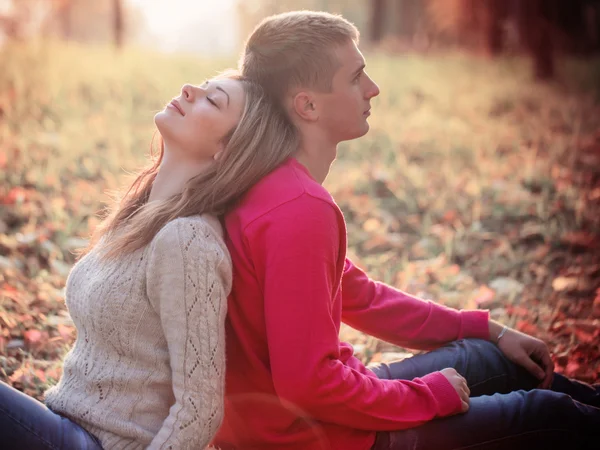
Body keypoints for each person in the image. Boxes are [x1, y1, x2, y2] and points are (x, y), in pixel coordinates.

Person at [213, 11, 600, 450]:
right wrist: (428, 394)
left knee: (489, 359)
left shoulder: (268, 185)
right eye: (356, 76)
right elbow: (307, 386)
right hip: (317, 438)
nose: (372, 87)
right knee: (549, 415)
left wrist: (491, 331)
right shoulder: (299, 209)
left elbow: (362, 297)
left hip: (300, 419)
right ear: (308, 105)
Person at [0, 72, 298, 450]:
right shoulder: (139, 214)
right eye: (202, 86)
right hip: (60, 420)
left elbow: (200, 410)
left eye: (213, 100)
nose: (190, 89)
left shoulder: (188, 241)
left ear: (229, 148)